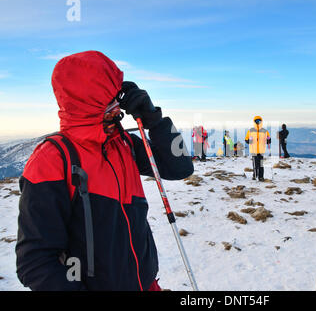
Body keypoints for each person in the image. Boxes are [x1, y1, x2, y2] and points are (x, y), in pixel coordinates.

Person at [15, 51, 193, 291]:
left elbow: (179, 167)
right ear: (85, 104)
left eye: (117, 100)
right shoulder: (53, 159)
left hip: (146, 283)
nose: (118, 111)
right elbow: (35, 262)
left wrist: (155, 120)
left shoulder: (124, 143)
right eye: (109, 103)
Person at [245, 116, 271, 181]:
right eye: (256, 121)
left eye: (259, 121)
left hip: (261, 151)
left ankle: (261, 177)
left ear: (261, 121)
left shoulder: (265, 131)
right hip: (254, 150)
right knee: (255, 164)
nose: (258, 122)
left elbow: (269, 139)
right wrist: (249, 141)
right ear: (254, 122)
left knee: (261, 165)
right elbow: (246, 139)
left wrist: (268, 140)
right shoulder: (250, 130)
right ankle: (255, 176)